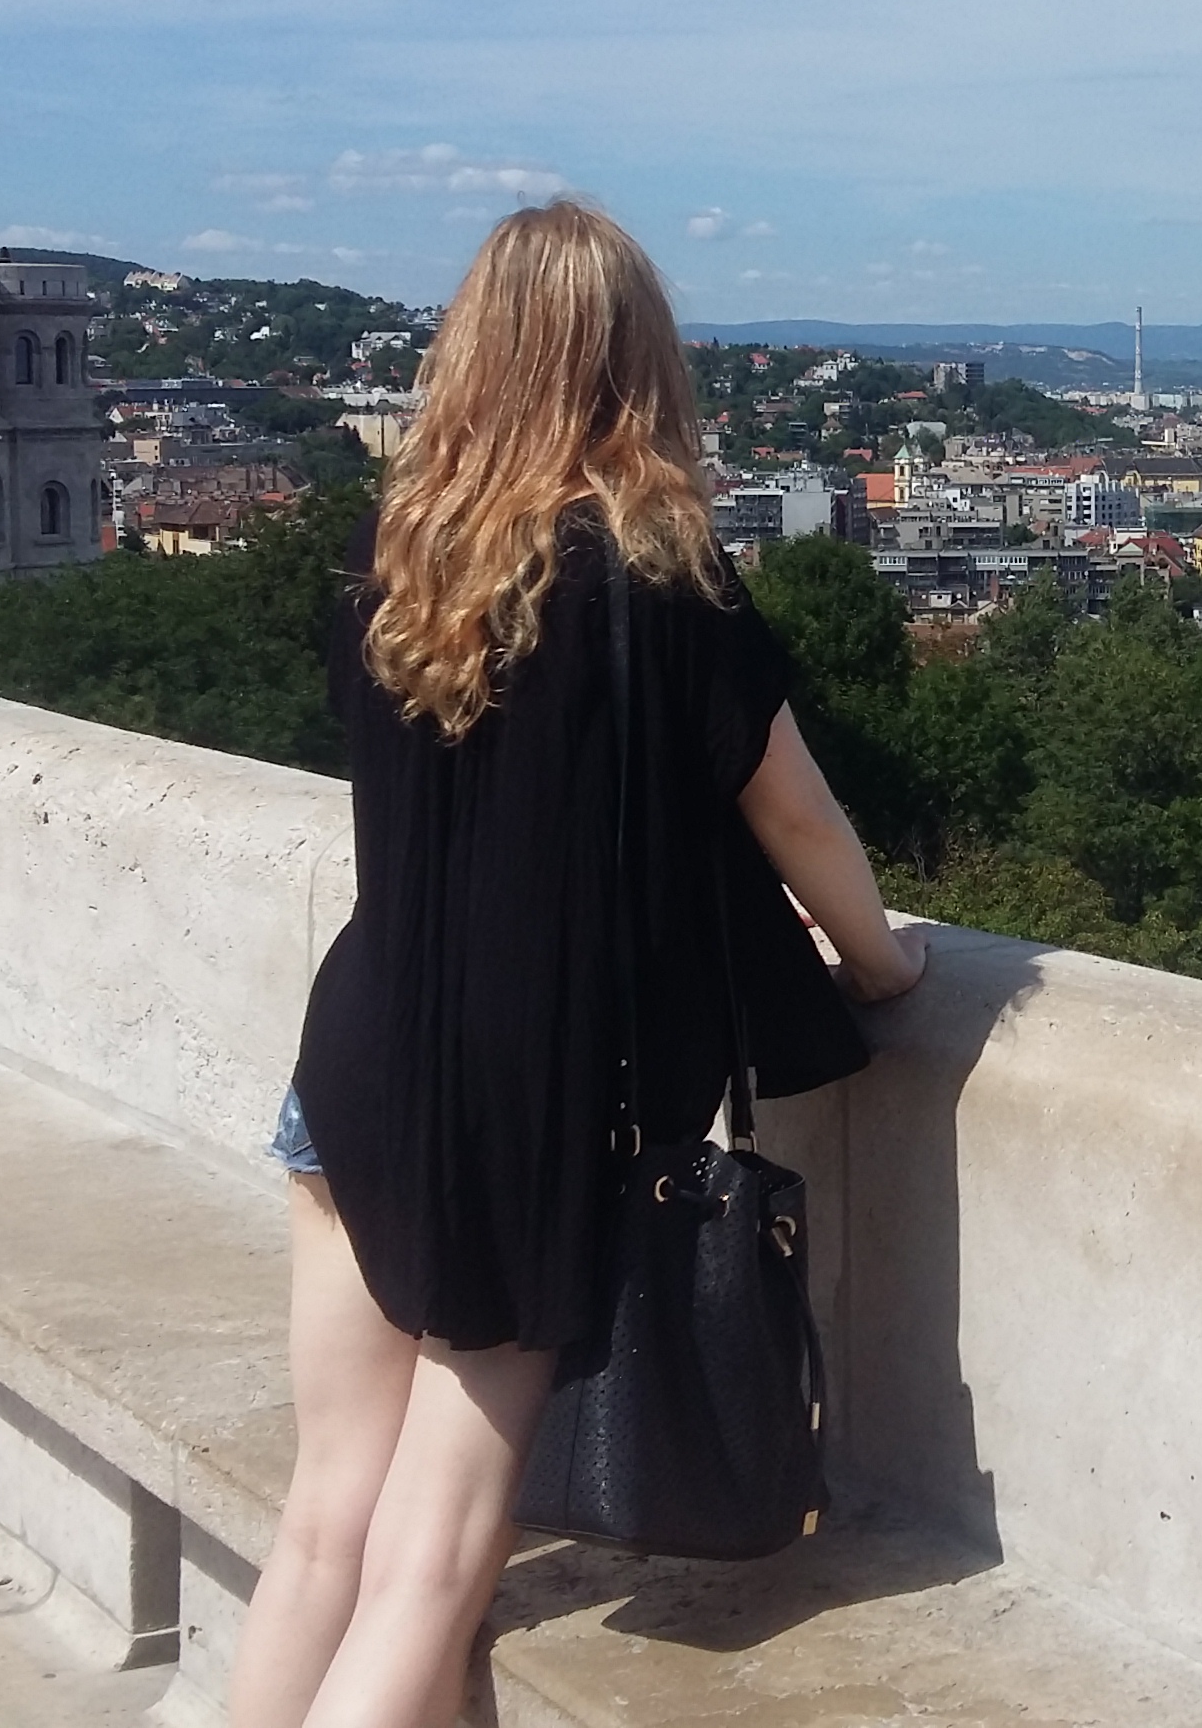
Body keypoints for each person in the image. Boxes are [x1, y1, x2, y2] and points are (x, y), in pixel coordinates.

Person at [229, 200, 926, 1728]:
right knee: (432, 1560)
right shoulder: (657, 570)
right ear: (636, 363)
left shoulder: (392, 543)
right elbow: (797, 813)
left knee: (327, 1521)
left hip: (354, 1054)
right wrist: (876, 962)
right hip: (514, 1103)